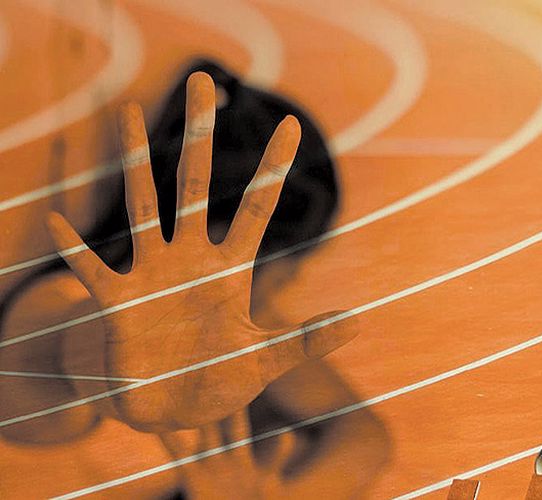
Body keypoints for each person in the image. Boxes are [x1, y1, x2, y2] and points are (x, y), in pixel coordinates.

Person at [0, 62, 390, 498]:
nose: (295, 280)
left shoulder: (242, 327)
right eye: (293, 259)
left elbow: (365, 438)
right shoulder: (59, 322)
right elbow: (66, 352)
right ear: (222, 234)